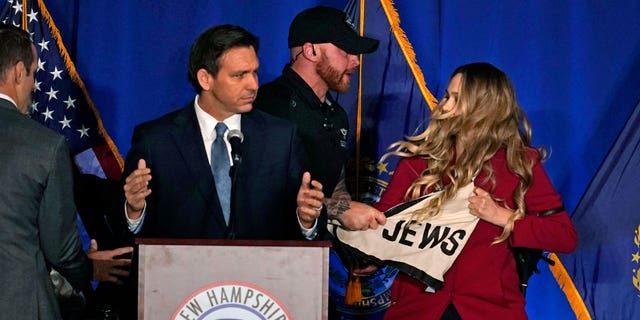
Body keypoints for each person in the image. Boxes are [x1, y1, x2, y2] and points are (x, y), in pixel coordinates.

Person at [374, 62, 578, 319]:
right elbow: (381, 225)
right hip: (419, 309)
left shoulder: (520, 163)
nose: (444, 106)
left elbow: (564, 236)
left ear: (485, 108)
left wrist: (503, 217)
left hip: (489, 310)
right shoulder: (420, 161)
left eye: (456, 99)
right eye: (446, 96)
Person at [122, 24, 324, 240]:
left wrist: (306, 219)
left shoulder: (282, 138)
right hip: (185, 271)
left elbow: (304, 224)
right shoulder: (156, 141)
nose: (253, 85)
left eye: (254, 72)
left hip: (259, 272)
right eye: (239, 75)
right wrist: (134, 211)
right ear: (205, 79)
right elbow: (132, 236)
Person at [0, 24, 132, 320]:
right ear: (19, 71)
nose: (33, 85)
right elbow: (60, 250)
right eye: (34, 73)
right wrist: (88, 269)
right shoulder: (44, 146)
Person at [254, 5, 386, 232]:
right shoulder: (267, 106)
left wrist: (352, 242)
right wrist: (341, 210)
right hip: (263, 254)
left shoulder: (337, 115)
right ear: (311, 51)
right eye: (346, 50)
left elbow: (336, 188)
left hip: (313, 255)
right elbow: (260, 191)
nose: (356, 61)